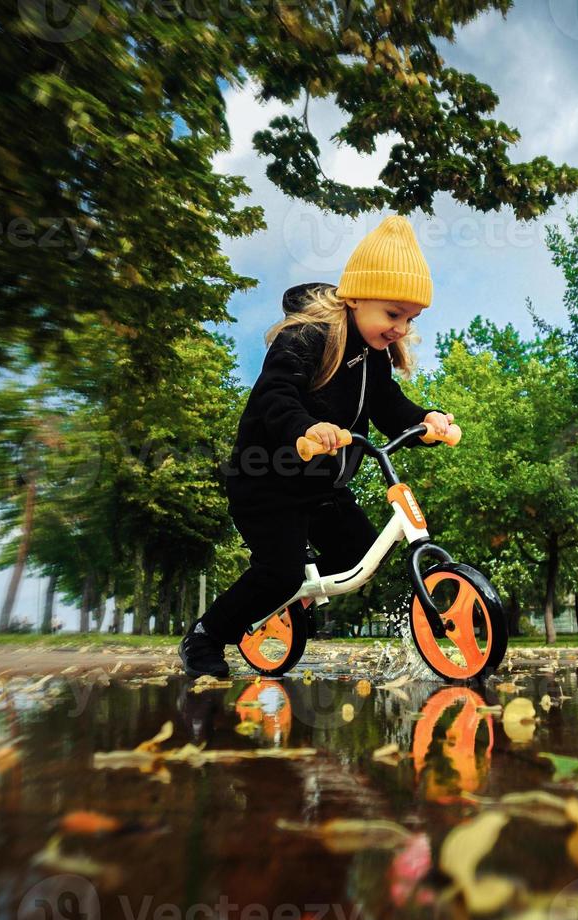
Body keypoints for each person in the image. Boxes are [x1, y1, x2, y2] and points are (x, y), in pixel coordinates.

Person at [179, 215, 455, 678]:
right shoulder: (306, 337)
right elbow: (274, 394)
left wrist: (424, 420)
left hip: (322, 488)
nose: (401, 329)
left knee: (360, 554)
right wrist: (306, 429)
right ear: (356, 296)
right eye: (393, 314)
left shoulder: (375, 357)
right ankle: (207, 635)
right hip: (265, 481)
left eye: (410, 319)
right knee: (280, 571)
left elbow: (388, 406)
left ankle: (286, 595)